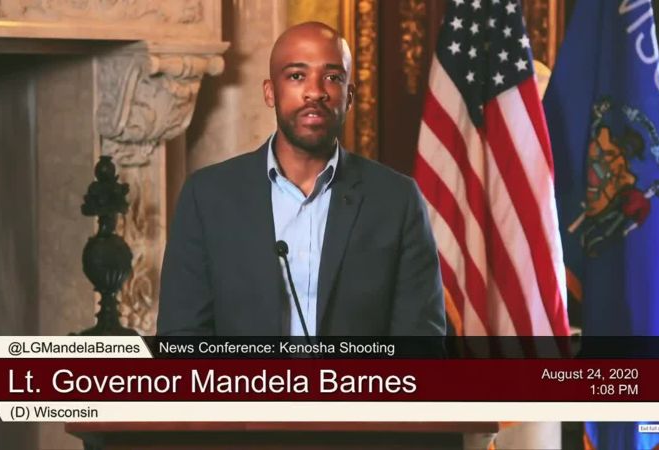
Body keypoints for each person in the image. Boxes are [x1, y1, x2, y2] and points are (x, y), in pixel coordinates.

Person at [157, 22, 445, 336]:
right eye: (297, 76)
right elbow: (181, 338)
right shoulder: (208, 196)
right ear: (270, 92)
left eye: (332, 77)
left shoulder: (396, 200)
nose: (316, 92)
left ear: (349, 96)